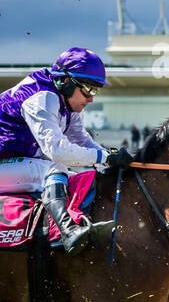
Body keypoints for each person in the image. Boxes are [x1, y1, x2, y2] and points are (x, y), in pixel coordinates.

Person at [0, 47, 133, 255]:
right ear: (67, 81)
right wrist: (104, 157)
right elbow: (58, 152)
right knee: (54, 169)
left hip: (17, 161)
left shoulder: (67, 102)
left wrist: (111, 157)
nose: (91, 99)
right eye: (89, 90)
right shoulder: (42, 99)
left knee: (72, 177)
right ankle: (68, 231)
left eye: (95, 90)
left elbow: (81, 140)